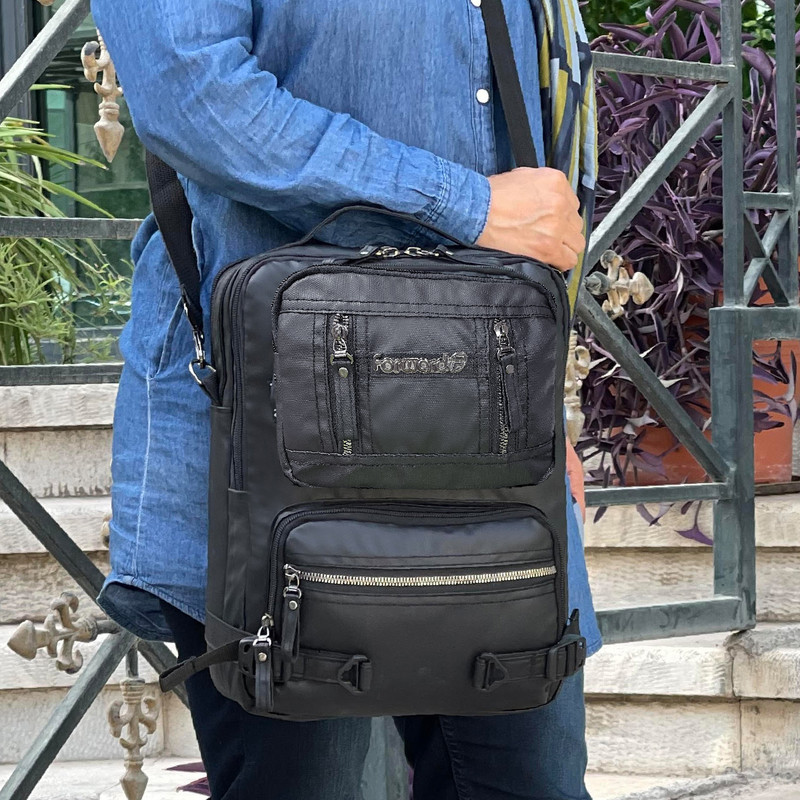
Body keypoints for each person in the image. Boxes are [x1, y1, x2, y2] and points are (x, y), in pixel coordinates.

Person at [90, 0, 603, 797]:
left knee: (530, 781)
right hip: (268, 436)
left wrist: (541, 412)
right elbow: (193, 94)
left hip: (486, 427)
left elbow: (527, 186)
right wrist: (464, 205)